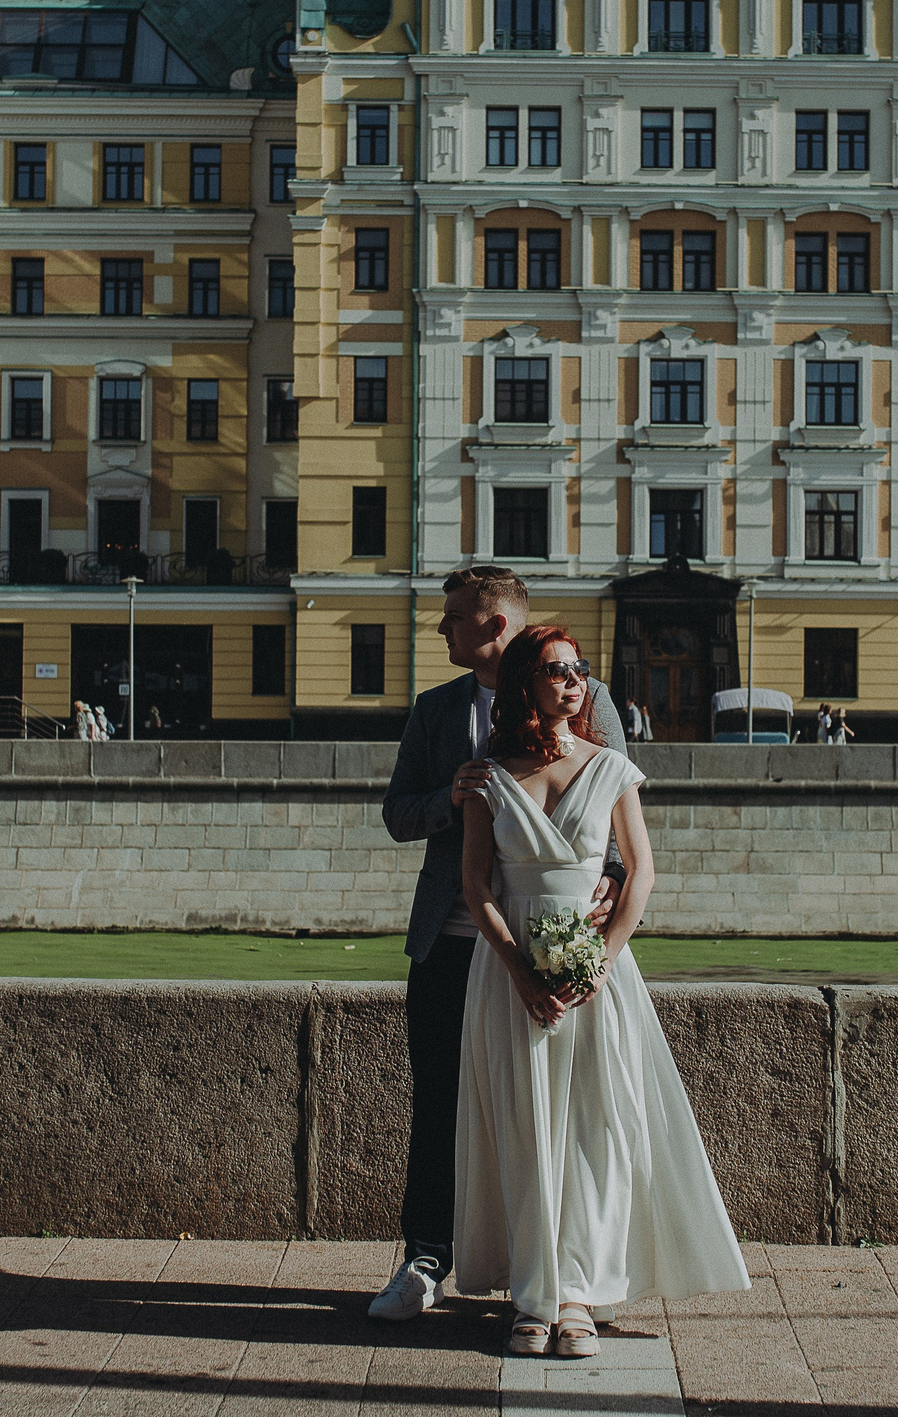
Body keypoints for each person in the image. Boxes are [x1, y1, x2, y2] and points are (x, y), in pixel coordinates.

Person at [454, 624, 748, 1354]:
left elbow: (640, 873)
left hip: (598, 976)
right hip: (509, 971)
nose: (573, 681)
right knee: (523, 1128)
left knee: (593, 1128)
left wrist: (601, 962)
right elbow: (476, 886)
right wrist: (520, 968)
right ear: (525, 683)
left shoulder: (611, 766)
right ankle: (532, 1296)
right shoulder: (486, 778)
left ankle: (578, 1295)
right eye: (556, 670)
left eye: (578, 669)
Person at [371, 566, 627, 1324]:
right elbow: (397, 813)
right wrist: (449, 798)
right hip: (452, 940)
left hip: (550, 941)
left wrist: (609, 880)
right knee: (438, 1103)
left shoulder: (588, 695)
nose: (441, 629)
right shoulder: (436, 709)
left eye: (453, 617)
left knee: (559, 1110)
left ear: (493, 626)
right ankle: (426, 1256)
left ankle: (556, 1269)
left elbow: (612, 810)